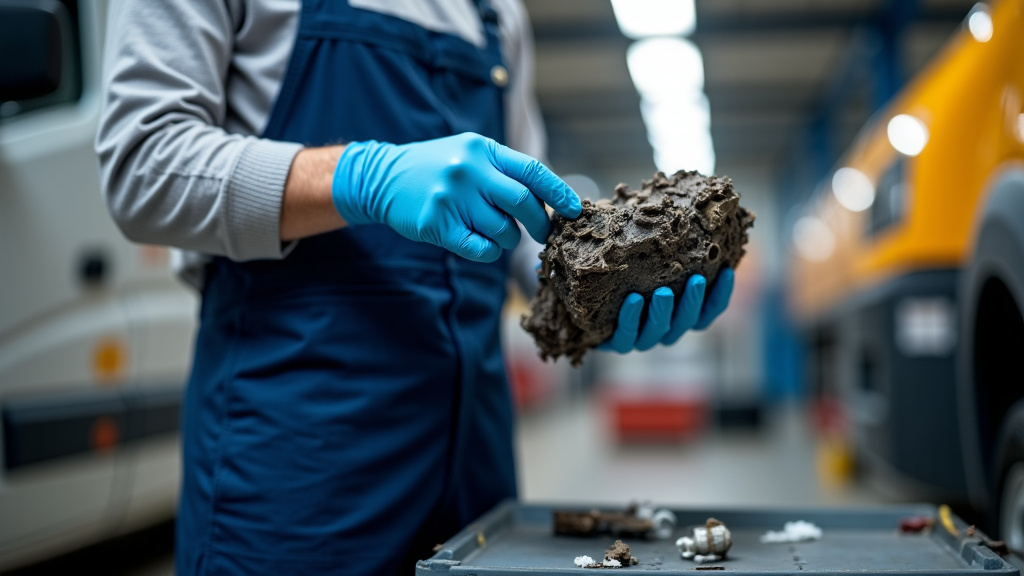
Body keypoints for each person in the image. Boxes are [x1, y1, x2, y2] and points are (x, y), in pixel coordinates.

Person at [96, 1, 734, 574]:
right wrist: (360, 175)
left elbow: (528, 225)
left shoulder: (496, 13)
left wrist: (599, 299)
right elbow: (142, 166)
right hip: (299, 465)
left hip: (476, 465)